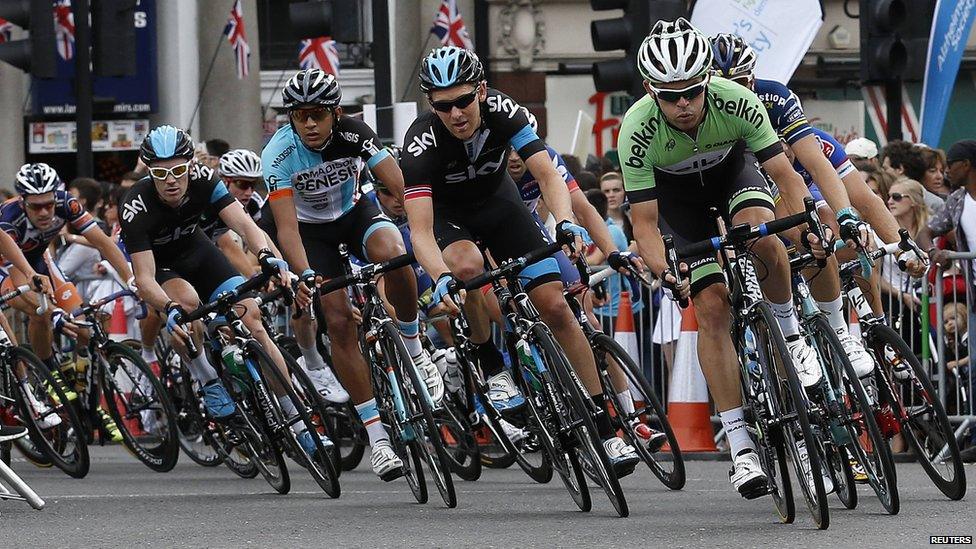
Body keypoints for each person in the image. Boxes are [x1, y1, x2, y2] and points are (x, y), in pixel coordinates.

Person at [402, 46, 641, 473]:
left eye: (463, 101)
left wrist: (564, 223)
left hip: (500, 206)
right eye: (443, 106)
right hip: (450, 220)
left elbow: (550, 174)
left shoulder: (504, 111)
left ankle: (606, 429)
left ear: (481, 90)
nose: (455, 114)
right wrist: (438, 276)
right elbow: (420, 229)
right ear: (430, 105)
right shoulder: (420, 142)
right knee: (468, 268)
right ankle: (490, 360)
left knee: (557, 308)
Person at [622, 19, 831, 498]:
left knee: (764, 236)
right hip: (680, 203)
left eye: (693, 92)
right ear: (652, 90)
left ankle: (792, 335)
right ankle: (741, 447)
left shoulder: (738, 100)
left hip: (733, 174)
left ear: (707, 82)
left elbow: (786, 174)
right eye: (670, 95)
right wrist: (663, 270)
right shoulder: (635, 129)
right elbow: (646, 224)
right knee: (712, 306)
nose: (683, 105)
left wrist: (807, 225)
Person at [263, 68, 440, 480]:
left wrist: (431, 229)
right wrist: (305, 274)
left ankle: (414, 346)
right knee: (339, 321)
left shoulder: (356, 133)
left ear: (336, 113)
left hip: (354, 214)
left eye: (317, 114)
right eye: (299, 115)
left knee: (396, 252)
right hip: (312, 234)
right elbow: (287, 231)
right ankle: (378, 439)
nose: (308, 123)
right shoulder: (278, 155)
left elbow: (402, 186)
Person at [120, 125, 334, 462]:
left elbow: (246, 226)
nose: (171, 180)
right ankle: (207, 378)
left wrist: (268, 257)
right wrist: (169, 306)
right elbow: (144, 278)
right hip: (162, 266)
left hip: (198, 252)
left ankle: (300, 423)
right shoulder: (136, 205)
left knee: (253, 319)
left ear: (190, 165)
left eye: (178, 170)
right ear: (149, 171)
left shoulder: (205, 180)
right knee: (187, 307)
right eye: (161, 173)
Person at [918, 139, 976, 392]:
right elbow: (924, 233)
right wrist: (934, 251)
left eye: (950, 165)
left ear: (966, 165)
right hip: (975, 300)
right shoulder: (957, 200)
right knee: (974, 369)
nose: (946, 172)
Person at [600, 172, 633, 242]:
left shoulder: (634, 219)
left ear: (624, 191)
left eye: (616, 190)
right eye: (606, 191)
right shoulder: (597, 222)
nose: (611, 195)